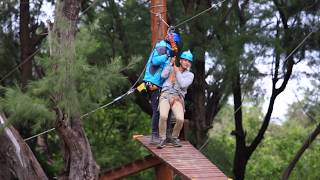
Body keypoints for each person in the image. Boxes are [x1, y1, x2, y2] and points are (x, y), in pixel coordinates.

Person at [143, 32, 181, 144]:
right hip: (153, 82)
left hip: (159, 83)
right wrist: (169, 54)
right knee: (157, 110)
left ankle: (167, 134)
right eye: (174, 43)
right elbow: (155, 61)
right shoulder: (162, 47)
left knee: (166, 109)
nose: (175, 46)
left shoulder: (167, 48)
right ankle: (154, 135)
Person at [157, 50, 194, 149]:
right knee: (163, 116)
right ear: (181, 60)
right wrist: (170, 64)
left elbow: (183, 84)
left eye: (189, 61)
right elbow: (163, 76)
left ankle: (174, 137)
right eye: (185, 60)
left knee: (180, 119)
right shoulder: (172, 67)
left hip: (177, 98)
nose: (187, 63)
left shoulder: (190, 75)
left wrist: (177, 71)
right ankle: (162, 138)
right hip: (165, 95)